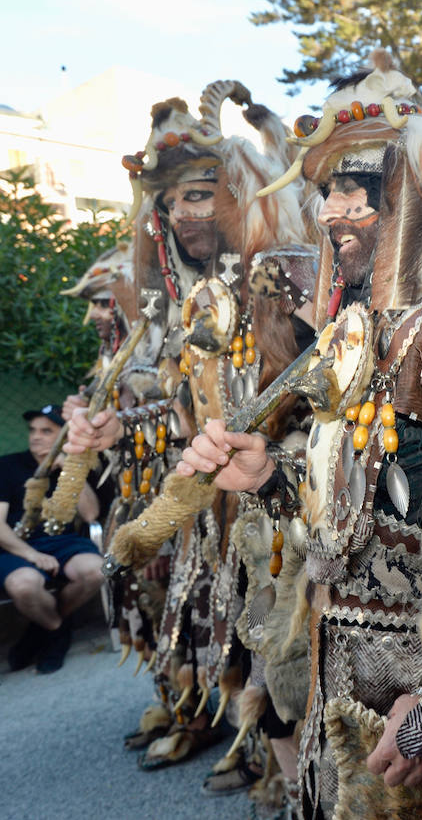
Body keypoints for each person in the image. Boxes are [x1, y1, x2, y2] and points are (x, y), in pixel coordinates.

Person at [180, 40, 422, 819]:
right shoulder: (354, 340)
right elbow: (353, 520)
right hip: (345, 700)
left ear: (420, 192)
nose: (329, 212)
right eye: (327, 191)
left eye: (354, 190)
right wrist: (267, 475)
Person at [65, 80, 314, 782]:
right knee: (247, 646)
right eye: (170, 202)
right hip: (220, 509)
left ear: (236, 192)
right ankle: (280, 772)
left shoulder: (291, 276)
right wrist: (123, 425)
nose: (181, 211)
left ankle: (306, 779)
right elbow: (186, 414)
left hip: (295, 501)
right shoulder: (182, 309)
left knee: (299, 656)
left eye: (198, 194)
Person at [0, 405, 106, 674]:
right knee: (24, 587)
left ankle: (40, 630)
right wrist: (32, 555)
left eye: (46, 431)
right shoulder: (5, 466)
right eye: (33, 430)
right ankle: (57, 630)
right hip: (13, 547)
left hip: (63, 542)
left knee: (97, 571)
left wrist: (70, 470)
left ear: (65, 436)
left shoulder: (76, 465)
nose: (36, 436)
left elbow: (91, 513)